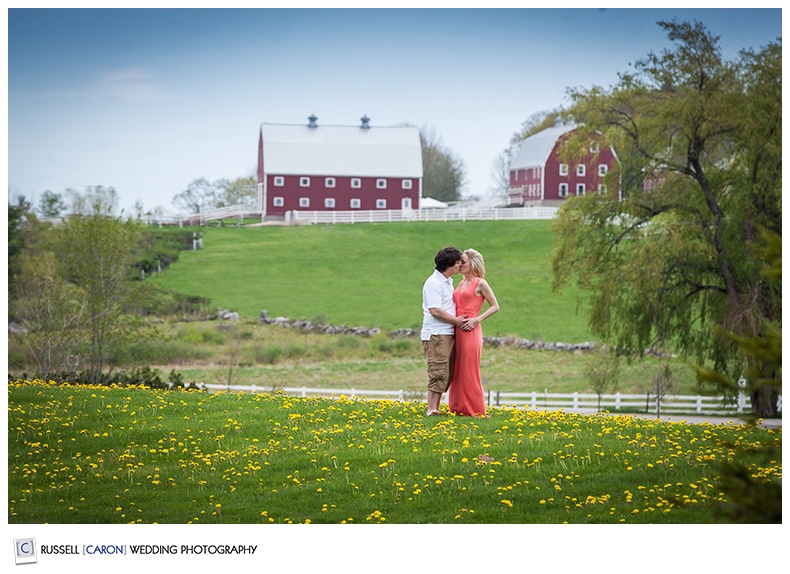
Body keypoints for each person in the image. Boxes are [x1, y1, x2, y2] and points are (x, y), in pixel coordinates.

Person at [448, 248, 500, 417]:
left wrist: (477, 320)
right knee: (457, 369)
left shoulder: (481, 283)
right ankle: (458, 407)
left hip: (471, 329)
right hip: (457, 327)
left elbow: (495, 306)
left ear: (472, 263)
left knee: (469, 369)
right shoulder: (460, 283)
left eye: (463, 261)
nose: (459, 264)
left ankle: (475, 409)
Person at [421, 246, 465, 416]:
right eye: (457, 263)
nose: (460, 266)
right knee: (438, 370)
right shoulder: (434, 283)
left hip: (446, 332)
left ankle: (436, 408)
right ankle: (432, 409)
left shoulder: (446, 282)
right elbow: (435, 310)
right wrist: (456, 321)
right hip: (437, 333)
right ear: (450, 264)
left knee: (446, 371)